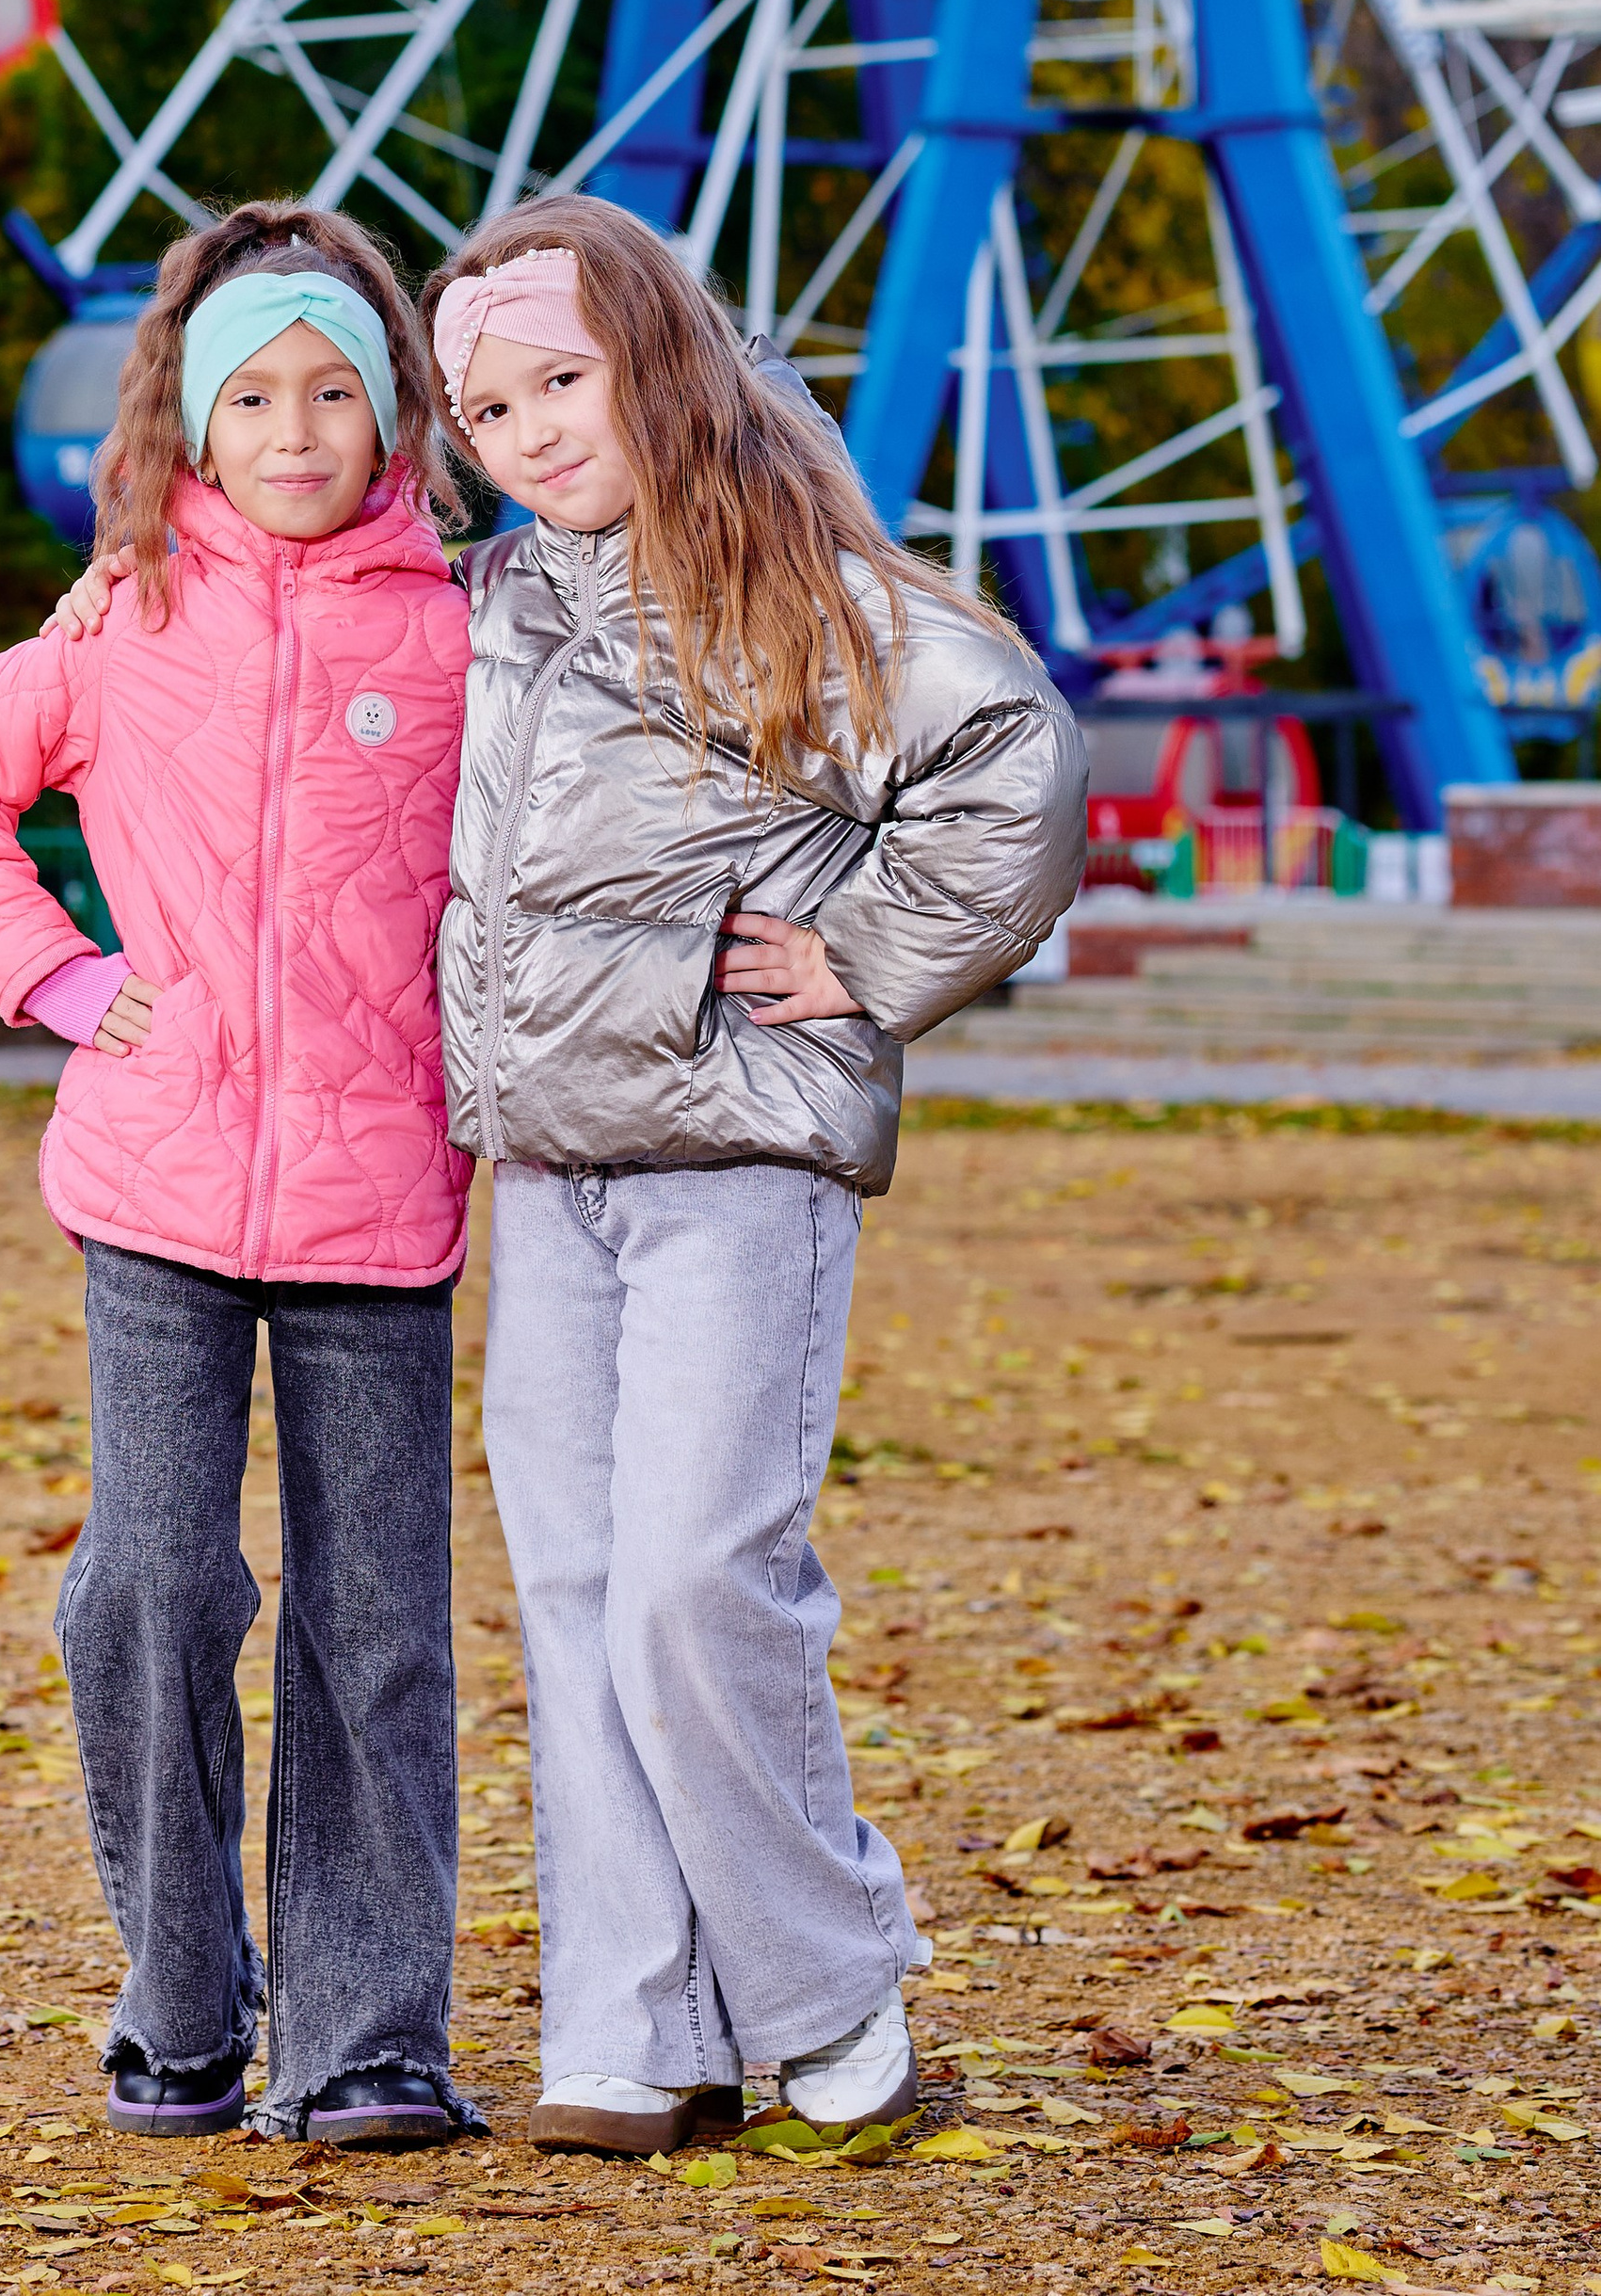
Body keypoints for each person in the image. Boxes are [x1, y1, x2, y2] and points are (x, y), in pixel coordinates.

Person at [424, 195, 1086, 2159]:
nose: (531, 430)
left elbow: (1013, 768)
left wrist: (866, 963)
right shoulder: (495, 609)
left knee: (697, 1587)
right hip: (546, 1165)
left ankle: (823, 1983)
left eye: (562, 380)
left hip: (733, 1154)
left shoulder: (799, 589)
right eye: (485, 408)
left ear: (657, 361)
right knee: (570, 1595)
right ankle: (628, 2021)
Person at [0, 202, 478, 2155]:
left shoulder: (470, 627)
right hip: (152, 1186)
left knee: (374, 1623)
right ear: (191, 425)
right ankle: (181, 1996)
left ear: (391, 412)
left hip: (381, 1200)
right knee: (148, 1584)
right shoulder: (118, 621)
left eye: (332, 389)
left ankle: (368, 2034)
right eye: (252, 394)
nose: (294, 427)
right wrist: (60, 975)